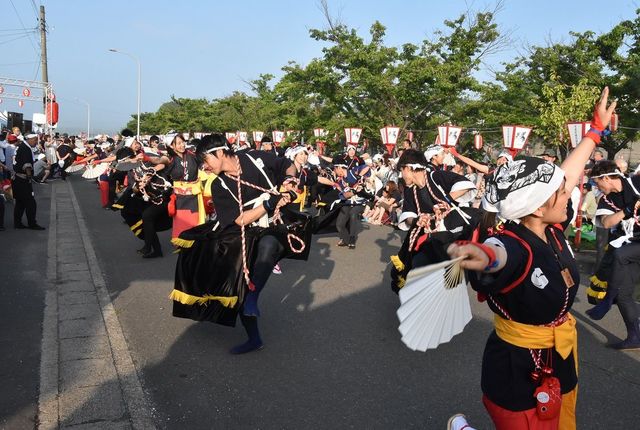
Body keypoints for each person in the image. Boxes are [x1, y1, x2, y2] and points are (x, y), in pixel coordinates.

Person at [446, 87, 615, 429]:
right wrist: (479, 255)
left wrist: (594, 132)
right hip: (518, 368)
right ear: (538, 207)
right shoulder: (514, 245)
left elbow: (569, 171)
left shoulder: (550, 229)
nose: (569, 192)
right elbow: (497, 256)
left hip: (558, 356)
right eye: (561, 192)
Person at [170, 133, 305, 355]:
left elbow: (287, 164)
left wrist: (289, 181)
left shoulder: (254, 158)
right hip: (246, 230)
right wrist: (270, 203)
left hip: (276, 227)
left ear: (220, 152)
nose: (204, 167)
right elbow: (240, 220)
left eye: (206, 160)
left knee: (268, 246)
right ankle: (254, 337)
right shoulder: (220, 186)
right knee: (234, 280)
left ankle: (252, 298)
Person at [584, 160, 640, 349]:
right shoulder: (606, 199)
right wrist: (626, 211)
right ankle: (634, 337)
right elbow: (607, 223)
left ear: (606, 178)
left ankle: (608, 298)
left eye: (596, 182)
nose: (595, 186)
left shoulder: (636, 183)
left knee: (620, 255)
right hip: (632, 243)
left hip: (631, 248)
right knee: (624, 295)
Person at [12, 134, 45, 230]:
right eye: (35, 140)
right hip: (22, 179)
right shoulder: (25, 148)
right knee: (30, 202)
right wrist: (29, 177)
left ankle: (17, 223)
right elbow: (27, 165)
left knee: (20, 202)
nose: (36, 143)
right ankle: (32, 223)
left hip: (18, 179)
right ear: (30, 139)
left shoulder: (23, 146)